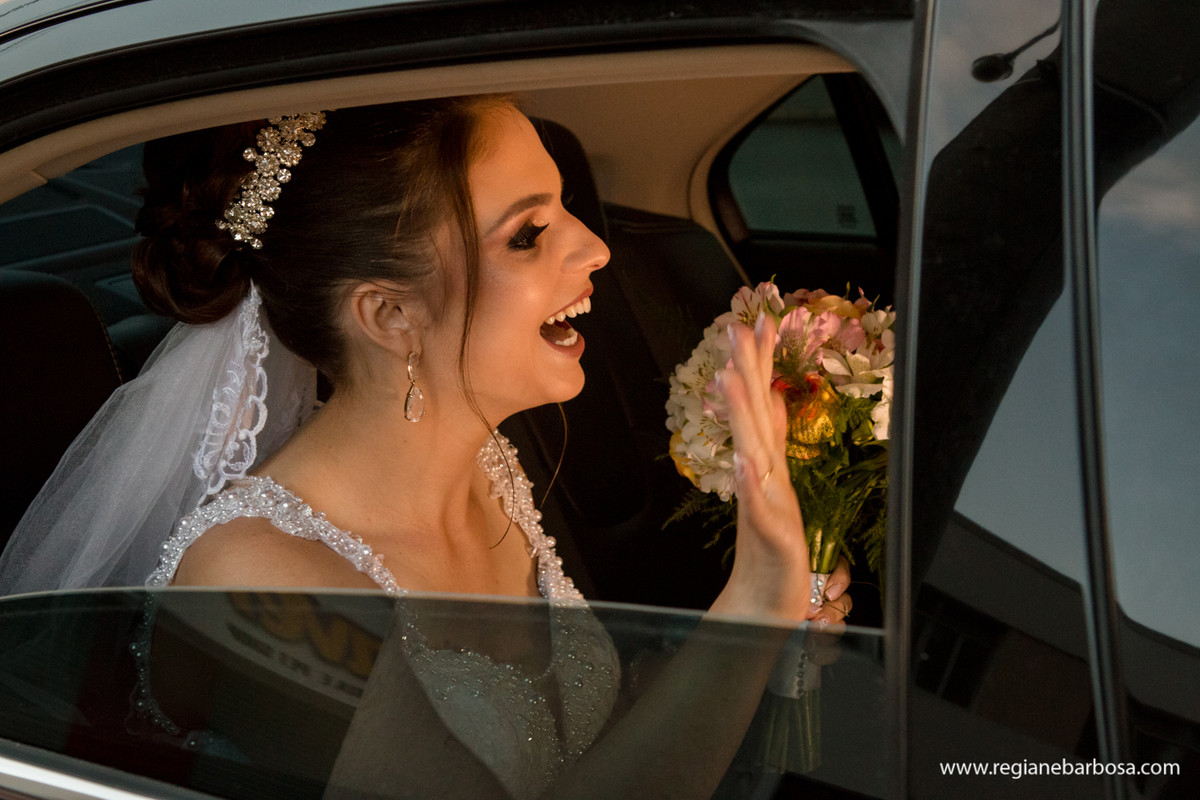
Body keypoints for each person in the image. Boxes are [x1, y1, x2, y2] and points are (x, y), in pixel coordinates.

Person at [0, 95, 851, 797]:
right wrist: (753, 602)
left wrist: (764, 642)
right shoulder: (254, 586)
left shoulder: (490, 466)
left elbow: (575, 749)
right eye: (528, 234)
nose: (595, 248)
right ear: (389, 314)